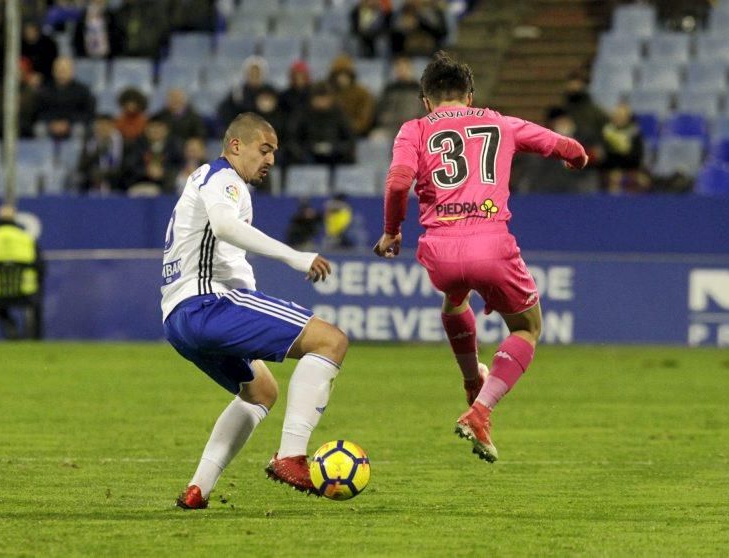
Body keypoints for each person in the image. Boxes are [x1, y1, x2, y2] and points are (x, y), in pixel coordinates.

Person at [373, 52, 587, 462]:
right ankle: (481, 409)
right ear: (469, 96)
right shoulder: (501, 122)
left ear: (425, 100)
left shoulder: (414, 129)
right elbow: (561, 145)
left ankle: (472, 381)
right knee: (527, 328)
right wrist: (576, 156)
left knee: (454, 300)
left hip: (440, 250)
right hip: (491, 244)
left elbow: (399, 182)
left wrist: (392, 230)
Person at [162, 112, 347, 508]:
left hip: (179, 319)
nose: (270, 160)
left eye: (274, 153)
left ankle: (198, 489)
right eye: (264, 150)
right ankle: (290, 457)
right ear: (235, 146)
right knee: (330, 341)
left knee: (260, 390)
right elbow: (227, 228)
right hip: (208, 304)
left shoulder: (204, 179)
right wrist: (295, 256)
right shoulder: (224, 178)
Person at [0, 204, 43, 340]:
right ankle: (36, 339)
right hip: (25, 292)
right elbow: (41, 268)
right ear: (15, 219)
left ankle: (9, 325)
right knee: (37, 301)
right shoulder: (26, 239)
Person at [34, 56, 95, 140]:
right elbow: (39, 112)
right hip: (50, 125)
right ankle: (42, 152)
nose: (61, 72)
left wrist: (68, 123)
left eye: (64, 70)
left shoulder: (82, 90)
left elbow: (87, 113)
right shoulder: (45, 90)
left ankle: (75, 152)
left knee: (79, 129)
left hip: (73, 125)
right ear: (53, 71)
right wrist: (52, 123)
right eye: (59, 70)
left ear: (72, 71)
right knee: (39, 129)